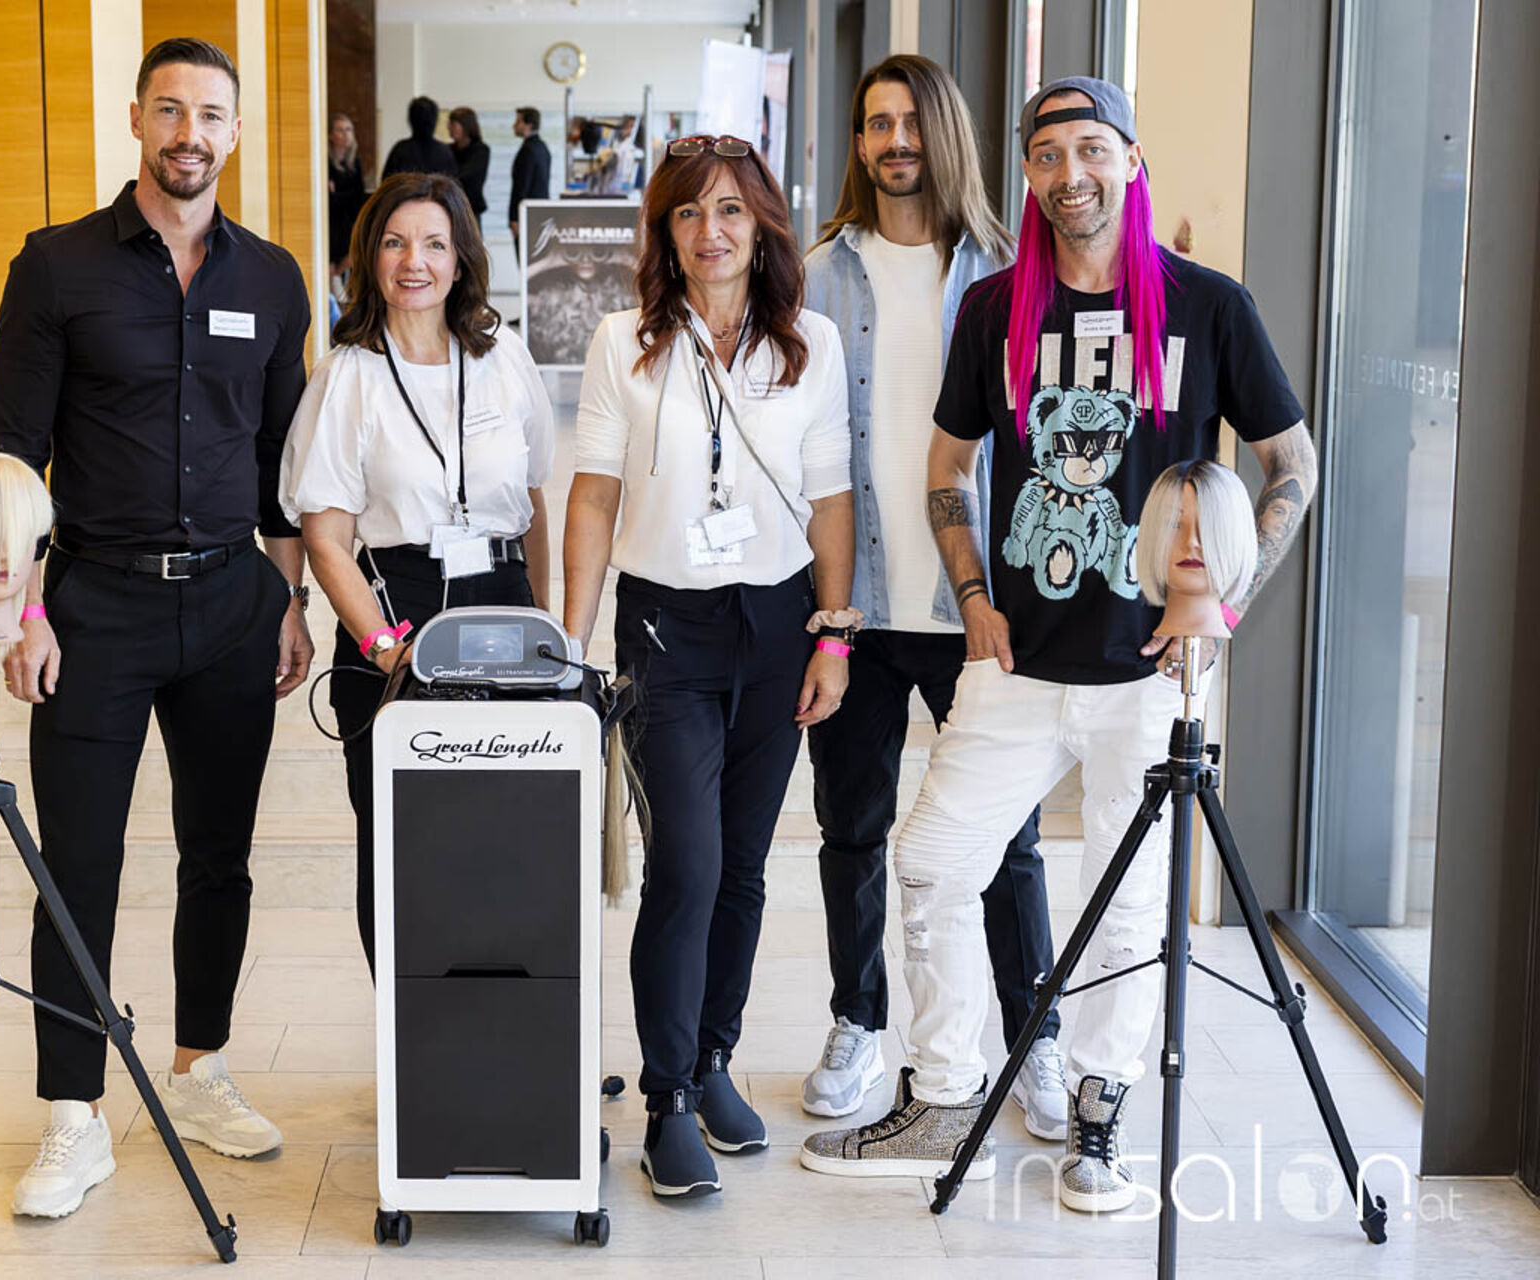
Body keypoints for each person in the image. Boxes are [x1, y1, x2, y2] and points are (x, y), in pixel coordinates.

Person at [800, 77, 1317, 1215]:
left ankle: (1099, 1110)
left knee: (1128, 905)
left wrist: (1221, 606)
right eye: (1047, 154)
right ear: (1027, 174)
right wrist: (970, 591)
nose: (1070, 173)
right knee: (934, 864)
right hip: (1015, 664)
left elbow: (1292, 463)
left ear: (1130, 160)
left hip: (1152, 672)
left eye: (1091, 148)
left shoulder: (1206, 306)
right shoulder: (997, 308)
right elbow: (947, 464)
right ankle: (946, 1092)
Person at [0, 36, 315, 1220]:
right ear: (136, 120)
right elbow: (14, 452)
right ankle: (73, 1113)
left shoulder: (271, 278)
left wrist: (289, 598)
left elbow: (283, 459)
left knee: (218, 852)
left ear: (236, 132)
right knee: (77, 862)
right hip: (94, 607)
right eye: (170, 110)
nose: (190, 133)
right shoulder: (55, 265)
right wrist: (24, 610)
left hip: (232, 602)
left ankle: (198, 1068)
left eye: (211, 114)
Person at [563, 134, 855, 1201]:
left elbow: (832, 495)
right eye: (688, 212)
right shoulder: (624, 342)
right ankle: (668, 1097)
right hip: (665, 631)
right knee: (685, 863)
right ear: (665, 232)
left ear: (763, 223)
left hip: (777, 625)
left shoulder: (809, 342)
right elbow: (594, 493)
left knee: (741, 866)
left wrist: (832, 635)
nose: (710, 230)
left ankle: (716, 1057)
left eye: (730, 209)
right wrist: (571, 641)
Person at [796, 53, 1068, 1141]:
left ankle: (1034, 1037)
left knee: (1005, 841)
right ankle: (858, 1021)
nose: (895, 140)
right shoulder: (816, 274)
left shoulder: (1011, 273)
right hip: (857, 607)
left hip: (980, 611)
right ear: (859, 142)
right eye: (876, 123)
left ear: (945, 133)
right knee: (851, 829)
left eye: (911, 121)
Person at [282, 172, 554, 969]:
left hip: (502, 614)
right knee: (403, 852)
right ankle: (416, 1034)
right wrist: (383, 650)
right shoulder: (348, 374)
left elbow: (534, 501)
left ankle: (509, 1022)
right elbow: (326, 537)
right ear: (371, 256)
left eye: (435, 244)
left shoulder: (503, 356)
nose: (415, 262)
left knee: (511, 845)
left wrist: (546, 631)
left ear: (462, 258)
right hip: (394, 617)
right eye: (396, 243)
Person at [329, 111, 368, 287]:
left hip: (349, 220)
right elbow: (329, 201)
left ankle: (337, 282)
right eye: (340, 130)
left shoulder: (354, 163)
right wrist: (341, 196)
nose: (345, 135)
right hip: (332, 222)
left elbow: (358, 197)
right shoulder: (326, 163)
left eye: (348, 130)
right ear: (330, 135)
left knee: (356, 250)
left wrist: (337, 194)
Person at [508, 106, 552, 246]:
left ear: (529, 125)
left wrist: (515, 218)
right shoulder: (542, 147)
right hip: (539, 214)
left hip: (526, 217)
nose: (514, 125)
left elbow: (521, 186)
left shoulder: (528, 150)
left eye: (518, 121)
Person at [383, 95, 456, 179]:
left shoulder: (400, 151)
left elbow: (386, 183)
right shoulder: (445, 153)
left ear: (410, 119)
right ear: (435, 120)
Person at [447, 107, 490, 223]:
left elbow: (465, 176)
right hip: (450, 207)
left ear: (466, 126)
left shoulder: (481, 150)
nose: (449, 128)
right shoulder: (448, 149)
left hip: (471, 209)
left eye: (453, 124)